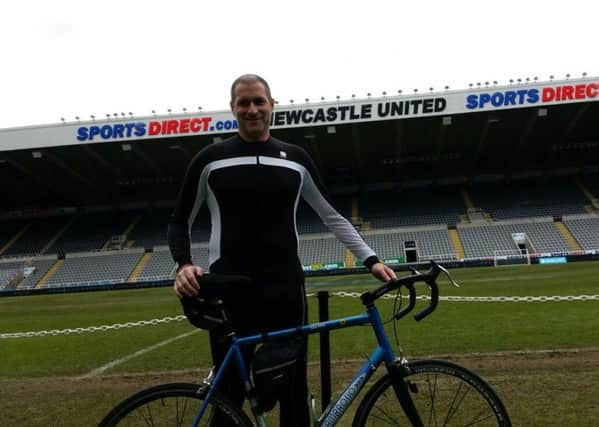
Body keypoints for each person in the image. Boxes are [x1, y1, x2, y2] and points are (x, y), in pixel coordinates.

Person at [168, 74, 396, 426]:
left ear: (272, 105)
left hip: (285, 289)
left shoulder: (295, 158)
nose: (252, 109)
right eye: (243, 102)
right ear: (232, 108)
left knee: (293, 390)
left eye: (259, 101)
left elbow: (332, 216)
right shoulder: (210, 159)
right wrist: (183, 264)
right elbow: (179, 219)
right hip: (230, 290)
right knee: (229, 393)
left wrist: (372, 261)